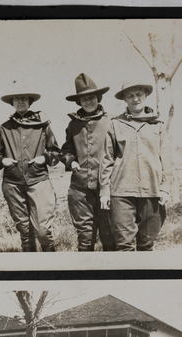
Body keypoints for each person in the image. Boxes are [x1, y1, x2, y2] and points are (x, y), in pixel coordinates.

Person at [100, 79, 174, 251]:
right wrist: (105, 192)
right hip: (121, 192)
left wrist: (165, 188)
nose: (135, 99)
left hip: (152, 191)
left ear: (146, 96)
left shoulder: (158, 125)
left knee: (147, 244)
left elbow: (167, 160)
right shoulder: (116, 124)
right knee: (124, 245)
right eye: (130, 96)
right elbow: (107, 160)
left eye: (139, 94)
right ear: (125, 99)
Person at [0, 89, 60, 252]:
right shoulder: (4, 128)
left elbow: (56, 153)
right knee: (25, 231)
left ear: (30, 101)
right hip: (13, 184)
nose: (20, 101)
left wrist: (44, 158)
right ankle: (30, 270)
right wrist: (3, 160)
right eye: (16, 99)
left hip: (39, 181)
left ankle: (54, 269)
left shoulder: (43, 126)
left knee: (42, 230)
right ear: (12, 103)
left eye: (24, 98)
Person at [60, 73, 116, 251]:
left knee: (109, 233)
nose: (88, 102)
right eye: (84, 99)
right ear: (79, 102)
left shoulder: (112, 121)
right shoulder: (73, 125)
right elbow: (66, 150)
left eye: (91, 97)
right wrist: (71, 162)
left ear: (98, 98)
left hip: (107, 186)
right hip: (80, 188)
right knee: (85, 236)